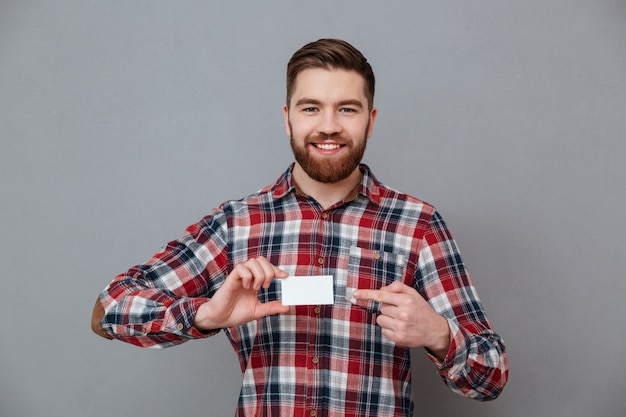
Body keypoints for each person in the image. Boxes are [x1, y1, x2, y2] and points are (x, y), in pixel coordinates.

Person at [92, 38, 508, 417]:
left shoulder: (418, 225)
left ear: (371, 120)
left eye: (347, 108)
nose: (328, 126)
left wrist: (438, 333)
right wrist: (204, 314)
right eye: (311, 108)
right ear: (288, 118)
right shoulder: (238, 224)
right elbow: (108, 309)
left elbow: (491, 376)